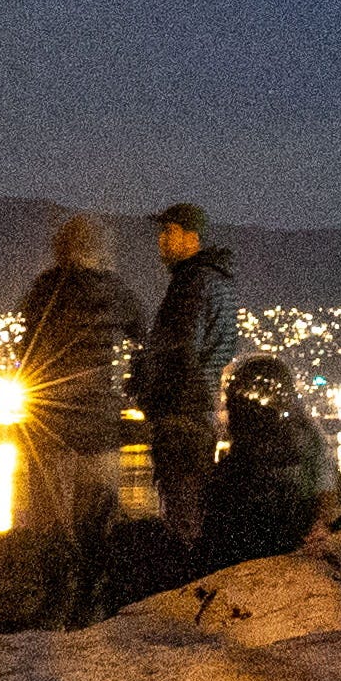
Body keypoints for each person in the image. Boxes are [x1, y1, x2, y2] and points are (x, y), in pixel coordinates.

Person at [10, 213, 140, 627]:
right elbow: (144, 337)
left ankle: (53, 601)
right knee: (96, 520)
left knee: (49, 522)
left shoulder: (44, 290)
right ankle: (89, 603)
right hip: (99, 423)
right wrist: (131, 386)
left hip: (50, 425)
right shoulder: (116, 292)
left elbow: (26, 350)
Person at [134, 202, 241, 540]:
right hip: (200, 407)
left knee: (181, 504)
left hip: (181, 411)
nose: (161, 240)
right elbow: (223, 345)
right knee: (194, 501)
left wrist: (150, 386)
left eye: (170, 231)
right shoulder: (218, 281)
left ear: (192, 237)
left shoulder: (191, 282)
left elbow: (179, 347)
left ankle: (184, 572)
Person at [194, 352, 332, 574]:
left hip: (250, 563)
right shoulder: (305, 441)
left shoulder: (232, 473)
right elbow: (324, 487)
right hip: (289, 555)